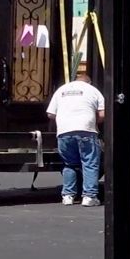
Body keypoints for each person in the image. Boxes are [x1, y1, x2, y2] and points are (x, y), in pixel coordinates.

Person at [46, 73, 105, 206]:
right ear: (88, 82)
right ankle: (89, 196)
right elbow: (102, 114)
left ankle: (68, 196)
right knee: (89, 163)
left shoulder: (61, 90)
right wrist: (95, 123)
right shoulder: (93, 90)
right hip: (86, 130)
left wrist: (65, 119)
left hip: (64, 131)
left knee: (69, 164)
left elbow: (50, 114)